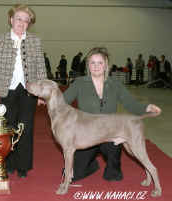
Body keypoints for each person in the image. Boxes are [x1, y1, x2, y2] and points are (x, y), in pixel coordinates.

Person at [63, 47, 161, 182]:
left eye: (100, 63)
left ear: (106, 65)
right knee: (76, 175)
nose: (96, 66)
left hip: (109, 132)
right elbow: (61, 102)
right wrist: (47, 98)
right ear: (88, 65)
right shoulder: (79, 83)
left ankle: (113, 169)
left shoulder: (115, 83)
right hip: (85, 134)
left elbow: (130, 103)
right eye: (92, 62)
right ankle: (92, 164)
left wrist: (147, 107)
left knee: (113, 177)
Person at [0, 4, 47, 178]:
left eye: (26, 21)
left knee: (26, 128)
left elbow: (41, 69)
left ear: (29, 24)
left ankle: (23, 166)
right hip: (6, 90)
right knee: (8, 128)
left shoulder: (35, 41)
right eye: (19, 19)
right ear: (11, 20)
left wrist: (41, 93)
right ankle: (9, 163)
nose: (22, 23)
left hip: (29, 91)